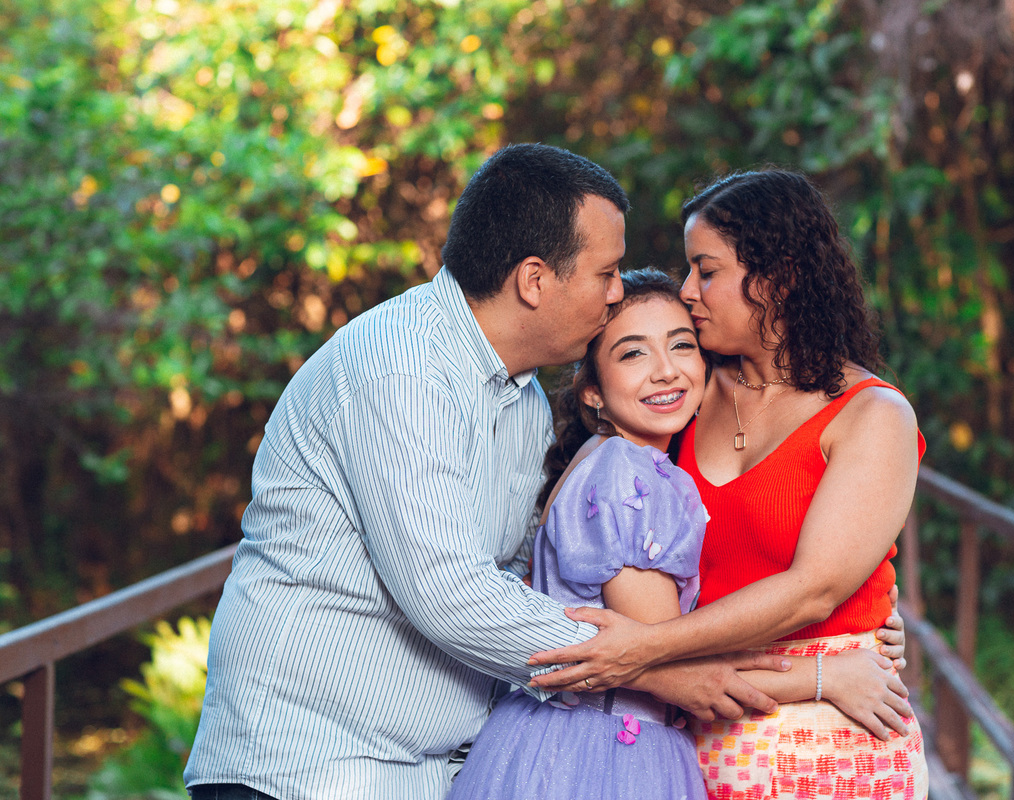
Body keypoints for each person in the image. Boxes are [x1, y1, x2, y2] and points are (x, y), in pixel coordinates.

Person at [183, 146, 786, 800]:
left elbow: (538, 573)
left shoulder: (519, 397)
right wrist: (648, 668)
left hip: (430, 772)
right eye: (606, 273)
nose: (617, 293)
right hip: (307, 768)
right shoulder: (404, 370)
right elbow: (448, 591)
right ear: (534, 280)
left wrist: (831, 630)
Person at [528, 170, 929, 799]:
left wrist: (645, 648)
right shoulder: (681, 393)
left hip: (833, 734)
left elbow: (814, 591)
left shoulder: (872, 414)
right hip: (681, 732)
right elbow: (603, 512)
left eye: (705, 271)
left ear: (778, 277)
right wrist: (645, 652)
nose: (687, 291)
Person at [446, 269, 913, 800]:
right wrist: (830, 676)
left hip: (563, 742)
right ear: (593, 393)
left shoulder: (607, 459)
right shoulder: (630, 480)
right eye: (633, 354)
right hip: (605, 757)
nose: (665, 372)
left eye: (682, 346)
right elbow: (675, 668)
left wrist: (869, 609)